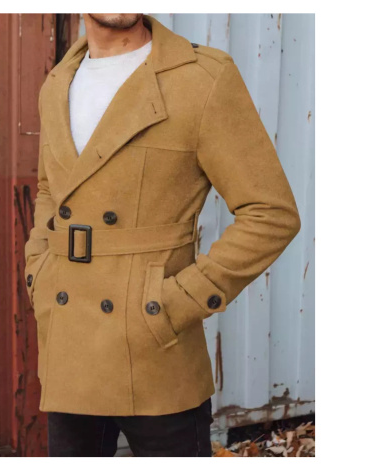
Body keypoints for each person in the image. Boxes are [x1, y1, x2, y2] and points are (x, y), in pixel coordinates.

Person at [24, 13, 301, 457]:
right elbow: (49, 190)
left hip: (156, 348)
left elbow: (271, 214)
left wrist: (175, 304)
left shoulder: (202, 77)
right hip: (70, 344)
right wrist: (39, 269)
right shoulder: (58, 82)